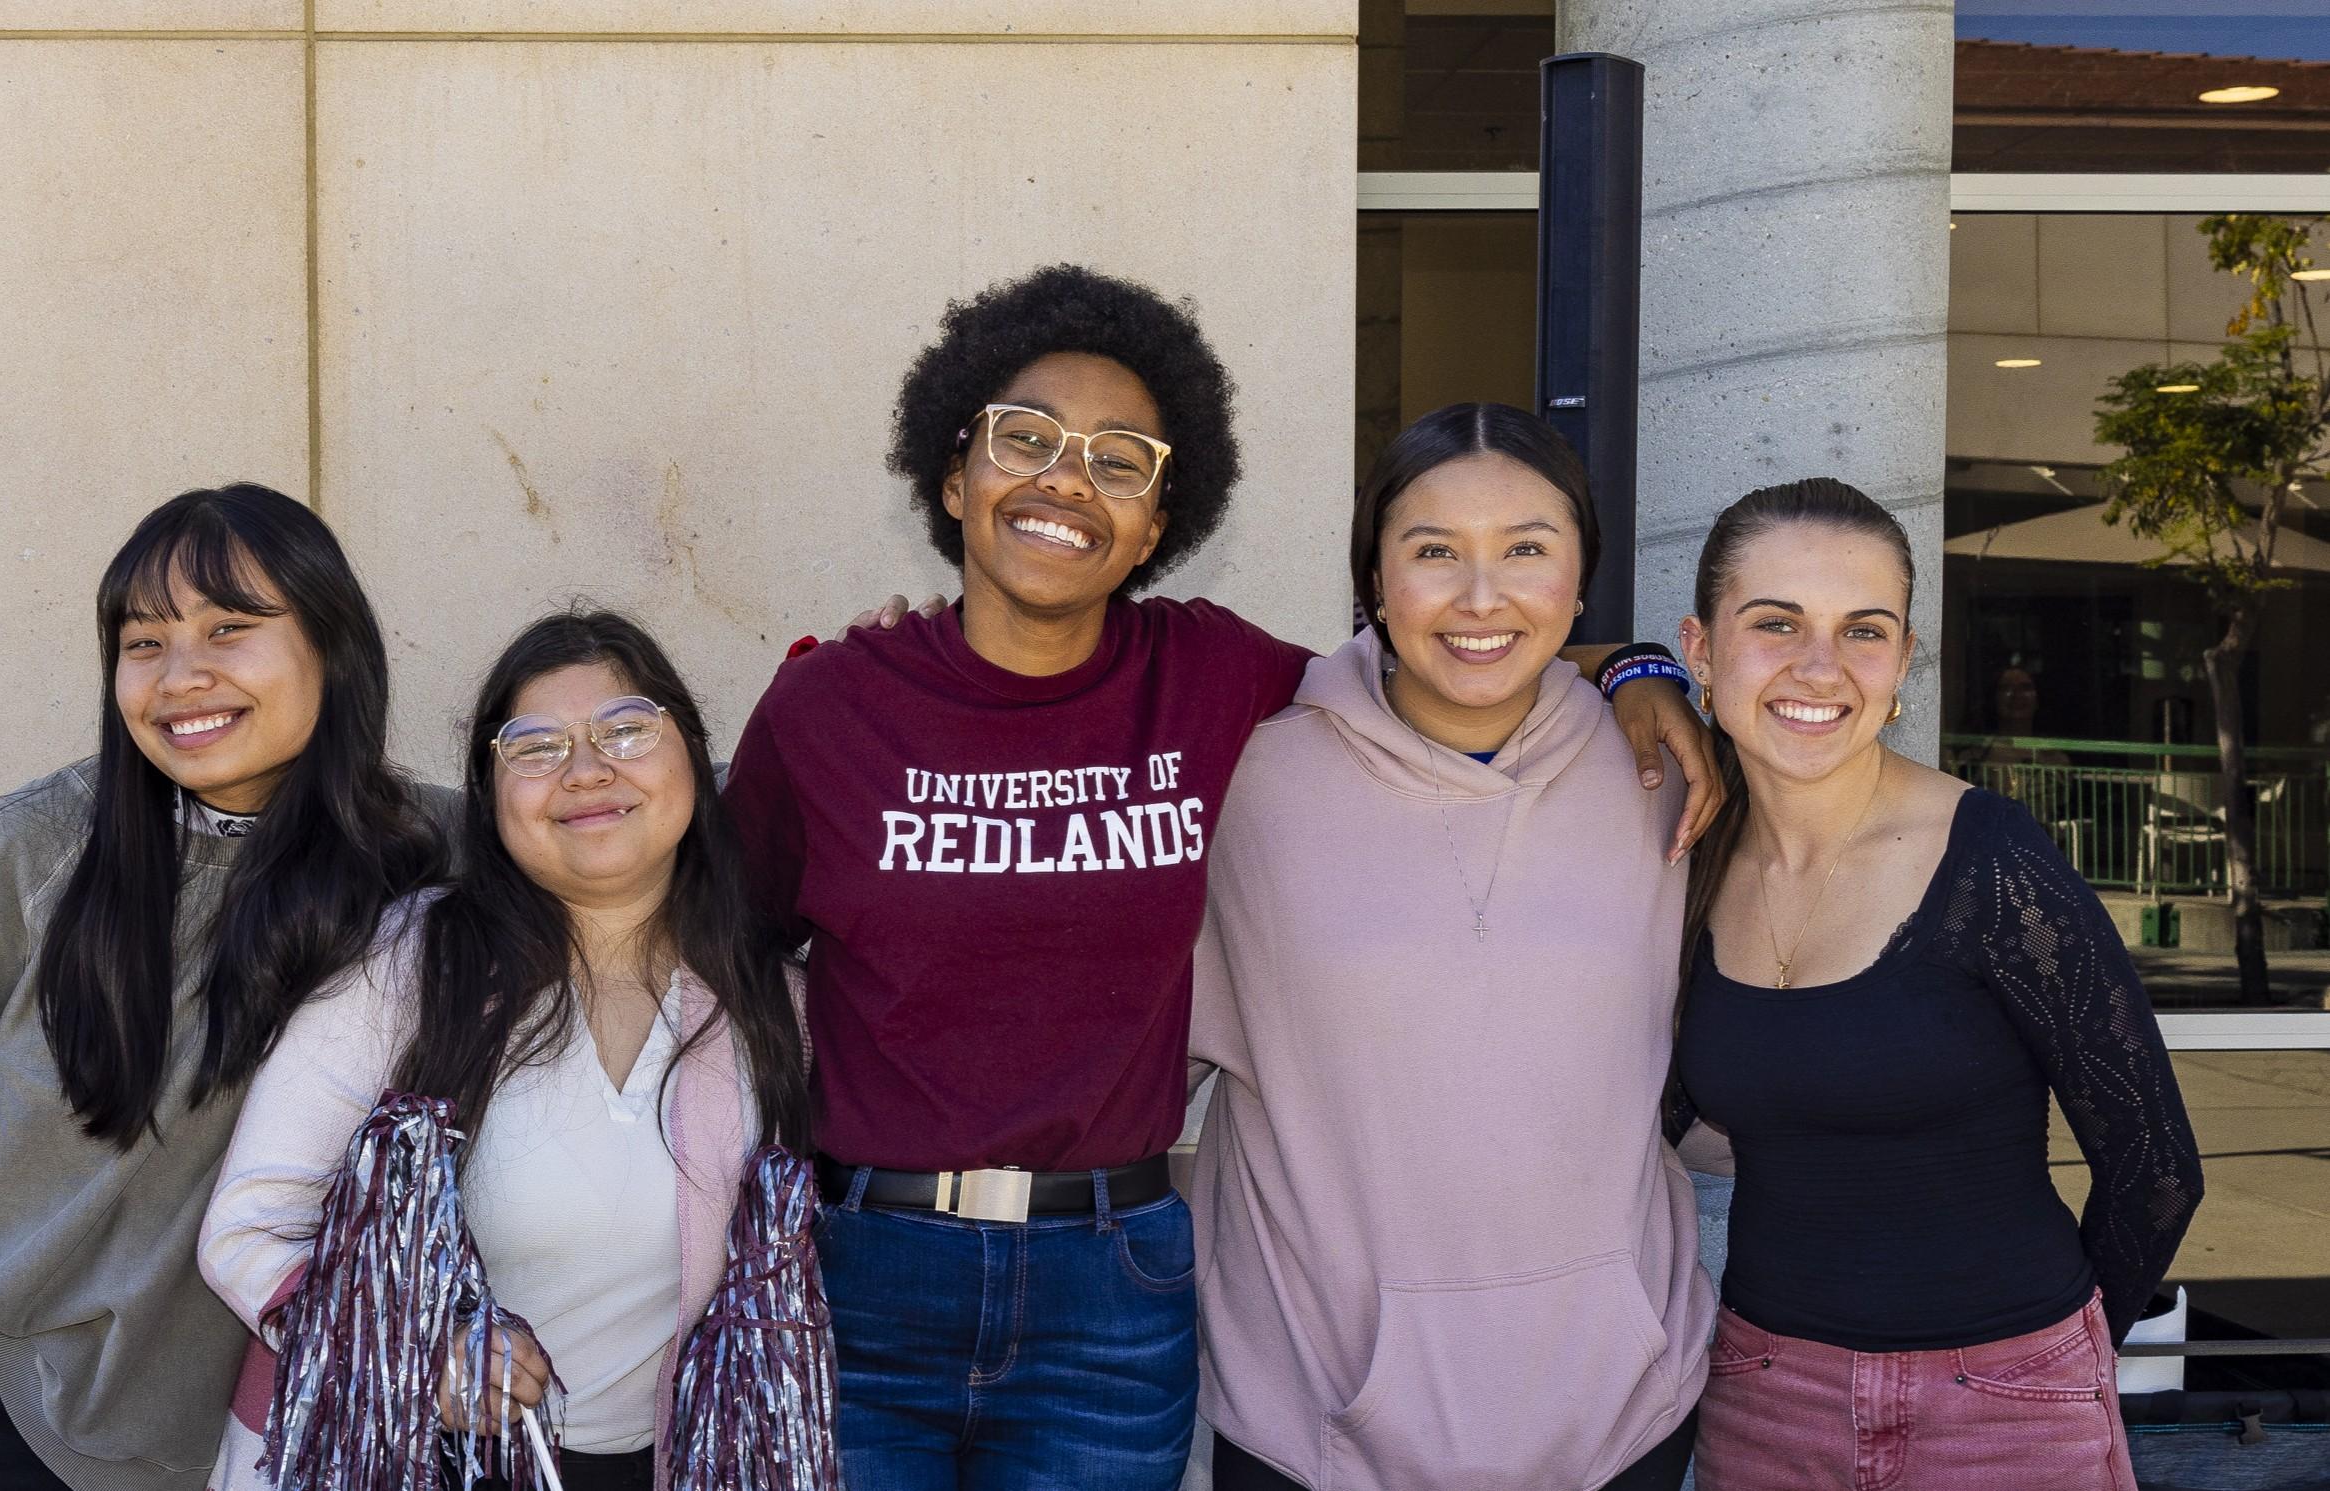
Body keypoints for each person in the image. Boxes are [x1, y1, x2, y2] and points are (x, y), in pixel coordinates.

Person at [720, 264, 1717, 1489]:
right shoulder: (831, 705)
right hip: (861, 1264)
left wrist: (1638, 669)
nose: (1063, 481)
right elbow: (723, 955)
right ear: (951, 471)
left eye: (1118, 460)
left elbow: (1454, 651)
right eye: (1024, 439)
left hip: (1108, 1277)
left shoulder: (1212, 680)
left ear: (1155, 523)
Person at [0, 485, 447, 1491]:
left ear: (334, 650)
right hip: (12, 1416)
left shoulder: (438, 860)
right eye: (143, 641)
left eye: (228, 630)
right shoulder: (32, 855)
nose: (180, 675)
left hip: (296, 1447)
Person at [1189, 404, 1714, 1491]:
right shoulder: (1243, 782)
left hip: (1619, 1410)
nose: (1481, 598)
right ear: (1373, 581)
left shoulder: (1669, 776)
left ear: (1579, 580)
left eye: (1526, 549)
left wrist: (1638, 667)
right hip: (1315, 1417)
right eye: (1432, 553)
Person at [200, 609, 814, 1491]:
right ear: (489, 792)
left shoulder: (771, 1006)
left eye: (627, 729)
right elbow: (249, 1224)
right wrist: (416, 1348)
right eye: (535, 746)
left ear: (693, 755)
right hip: (393, 1459)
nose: (587, 770)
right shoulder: (409, 962)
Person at [1671, 478, 2203, 1490]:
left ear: (1901, 660)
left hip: (2005, 1408)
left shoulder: (1992, 864)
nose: (1817, 666)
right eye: (1773, 622)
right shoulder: (1687, 862)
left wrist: (2046, 1367)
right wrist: (1629, 678)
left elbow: (2156, 1170)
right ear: (1700, 648)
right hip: (1761, 1400)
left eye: (1862, 630)